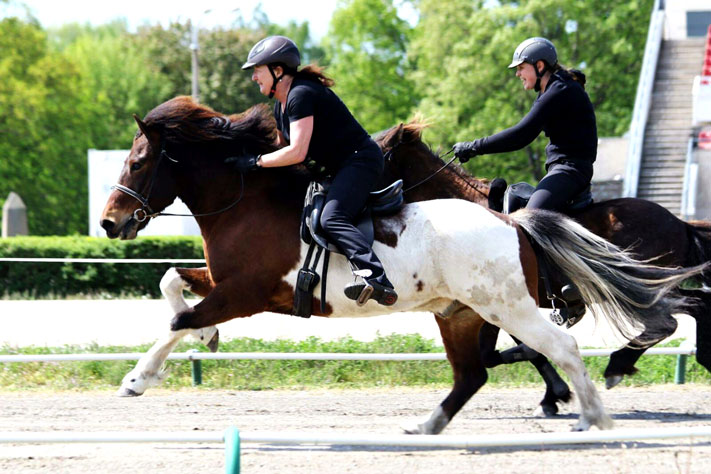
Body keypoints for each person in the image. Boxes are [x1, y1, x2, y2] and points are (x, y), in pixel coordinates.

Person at [233, 35, 397, 307]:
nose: (253, 78)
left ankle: (375, 277)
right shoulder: (282, 103)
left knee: (332, 218)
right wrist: (246, 158)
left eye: (256, 70)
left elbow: (296, 152)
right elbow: (280, 148)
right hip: (340, 167)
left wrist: (257, 162)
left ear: (277, 71)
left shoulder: (301, 94)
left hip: (360, 161)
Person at [454, 36, 597, 322]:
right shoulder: (552, 89)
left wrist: (475, 146)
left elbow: (521, 135)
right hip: (560, 168)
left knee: (531, 217)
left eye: (521, 68)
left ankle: (570, 296)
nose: (518, 74)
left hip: (571, 169)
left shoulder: (559, 90)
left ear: (539, 65)